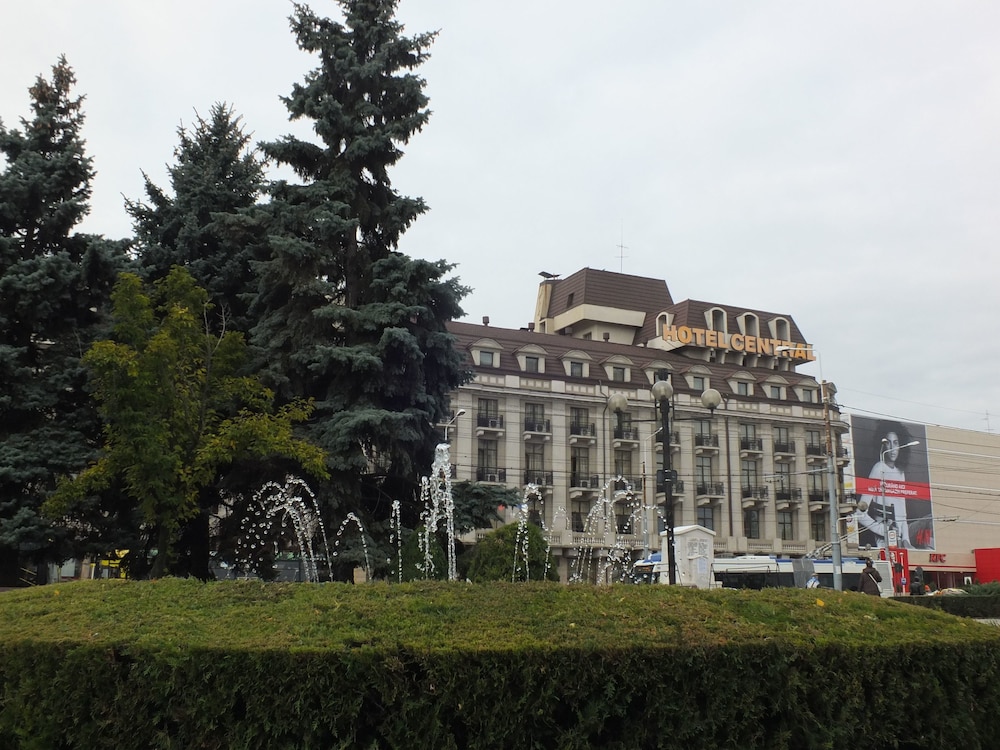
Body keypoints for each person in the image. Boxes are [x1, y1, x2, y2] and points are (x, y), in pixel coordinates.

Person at [855, 422, 913, 549]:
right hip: (884, 542)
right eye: (888, 442)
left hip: (901, 541)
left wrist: (906, 539)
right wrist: (884, 530)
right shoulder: (878, 468)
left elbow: (902, 514)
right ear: (882, 444)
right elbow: (860, 514)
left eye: (896, 443)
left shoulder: (900, 472)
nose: (892, 448)